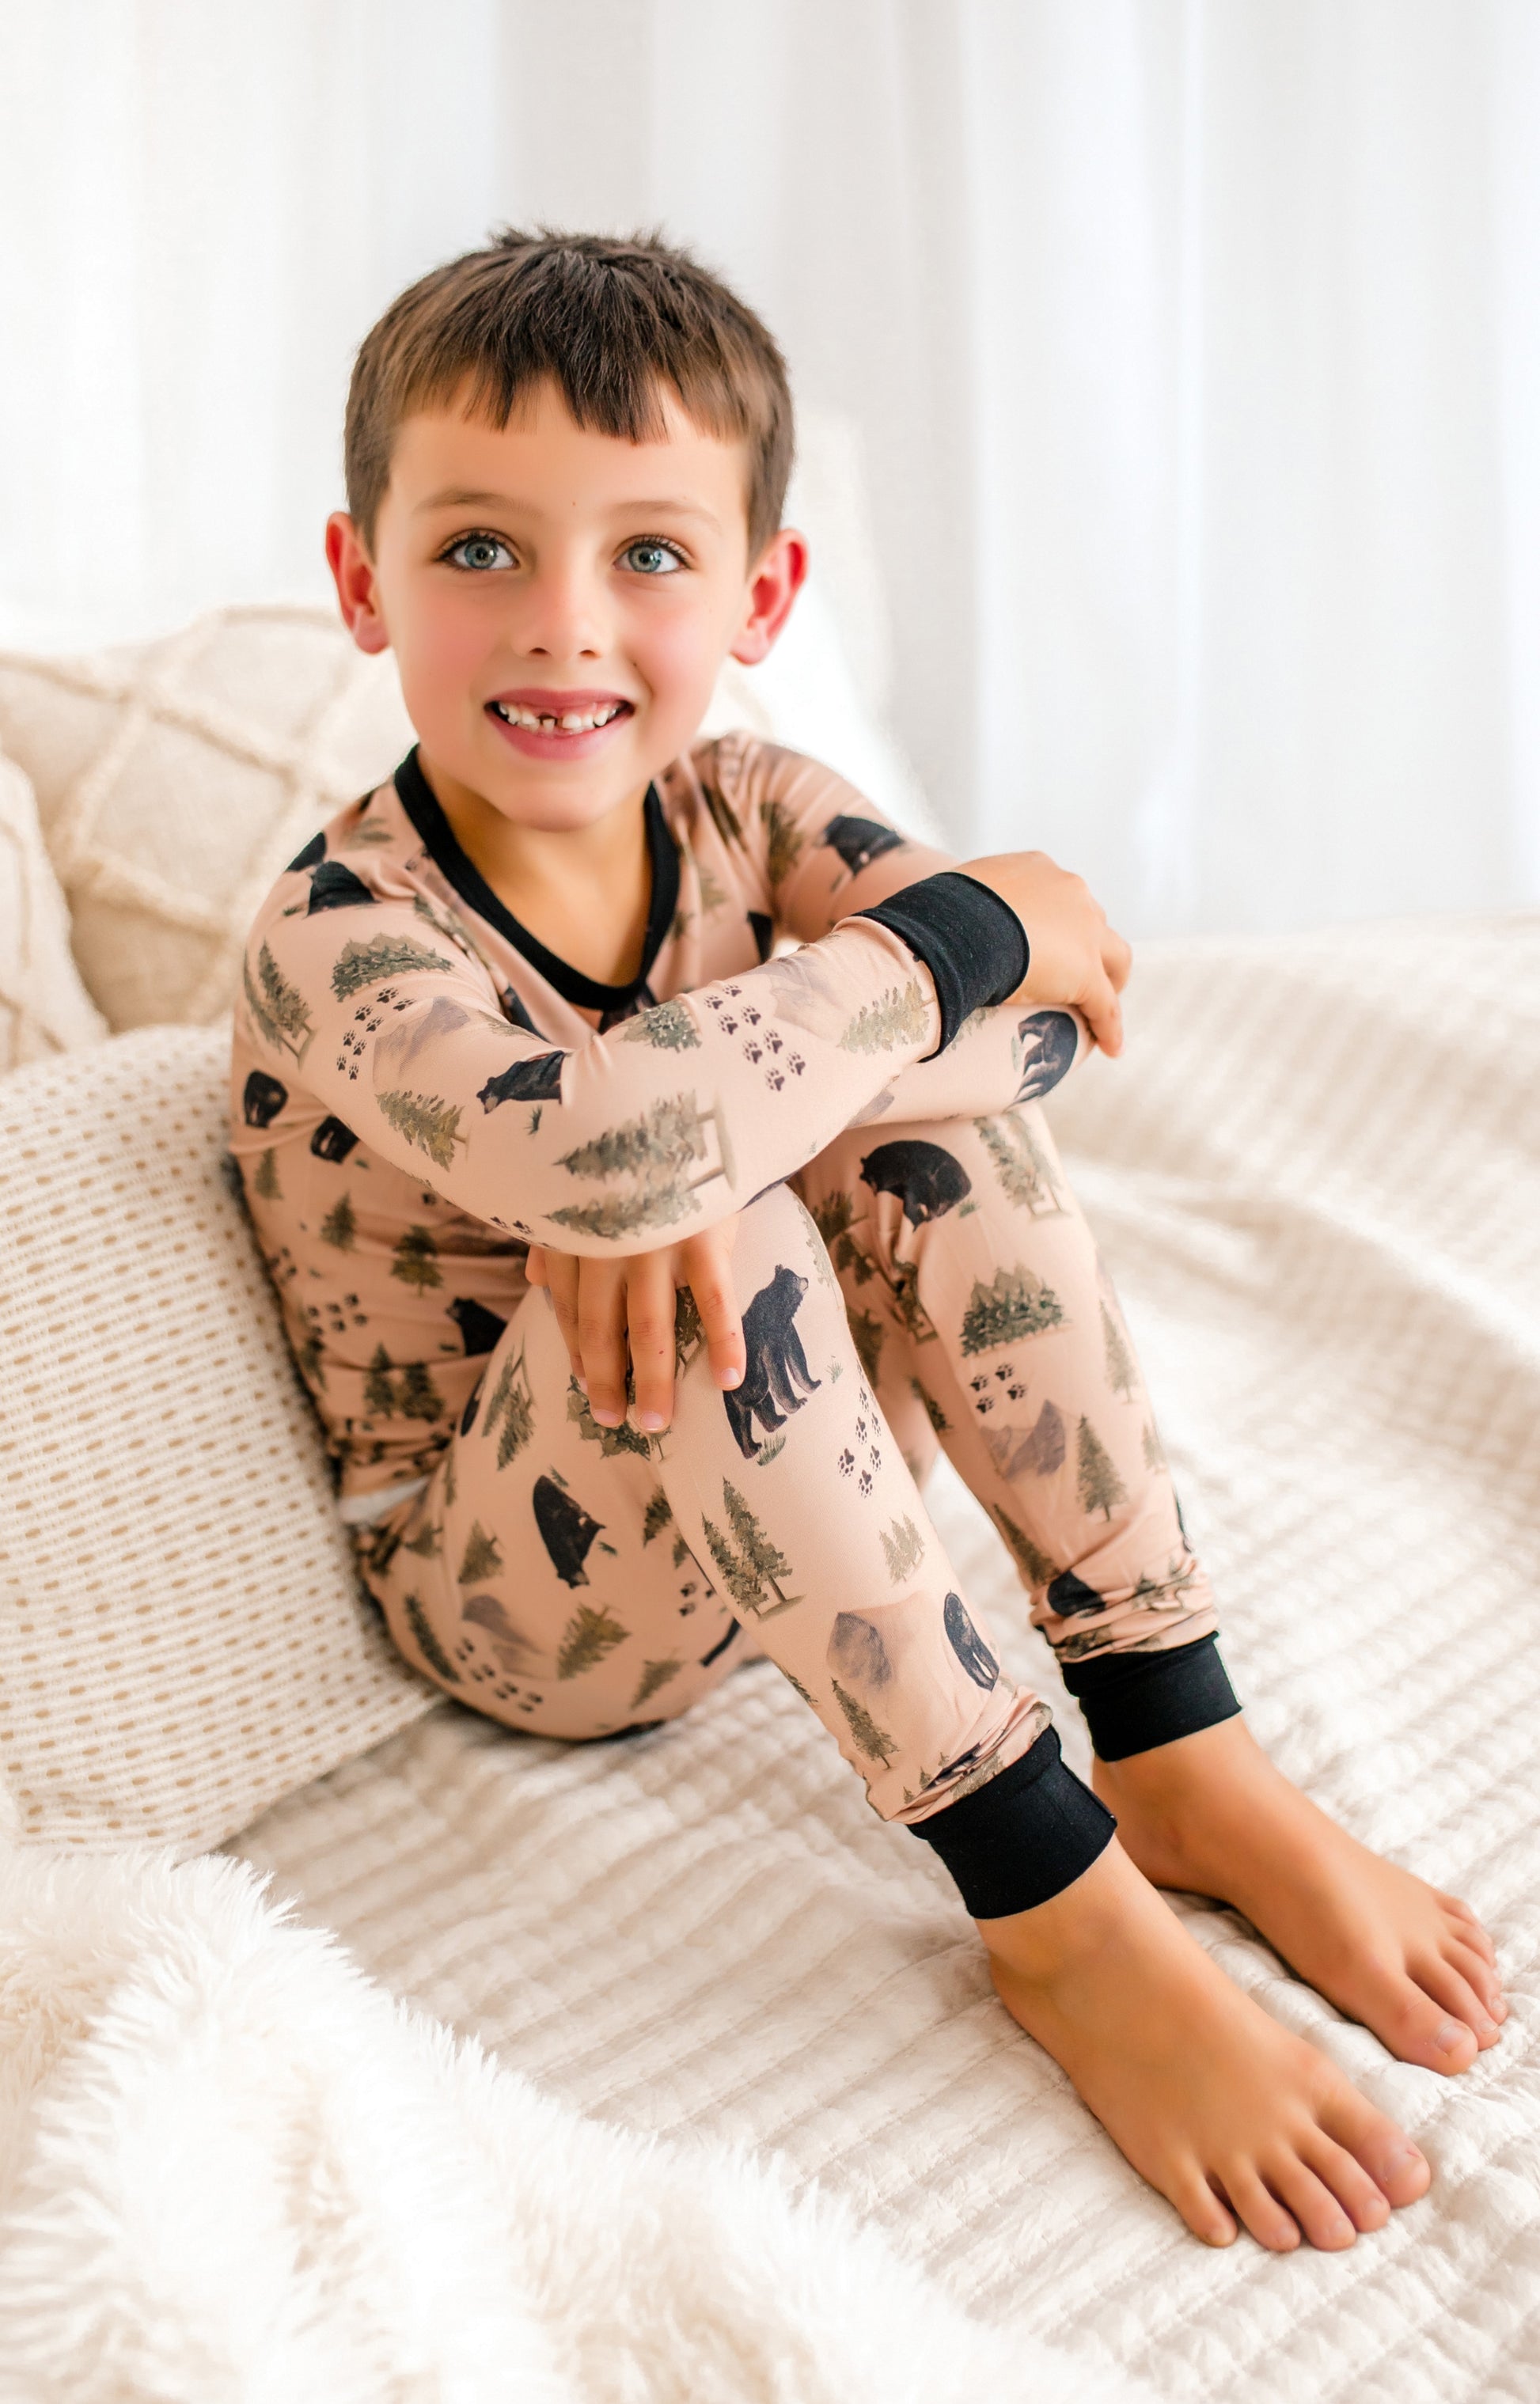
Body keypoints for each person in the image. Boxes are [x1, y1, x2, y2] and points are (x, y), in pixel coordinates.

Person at [229, 229, 1504, 2254]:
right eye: (480, 549)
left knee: (914, 1159)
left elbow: (1041, 1040)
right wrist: (917, 965)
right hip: (525, 1589)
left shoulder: (754, 805)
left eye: (648, 554)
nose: (563, 624)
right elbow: (621, 1144)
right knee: (701, 1207)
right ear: (362, 577)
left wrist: (770, 1094)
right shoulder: (337, 935)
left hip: (835, 1484)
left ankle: (1181, 1746)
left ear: (760, 596)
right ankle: (1061, 1913)